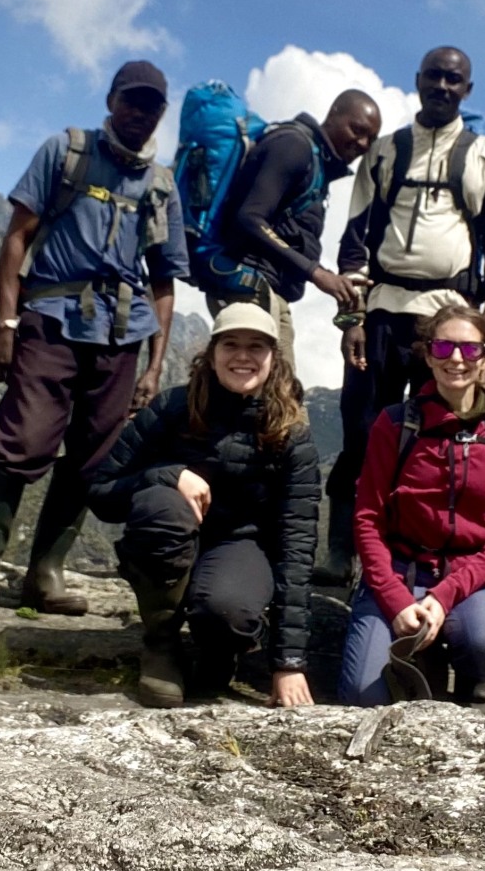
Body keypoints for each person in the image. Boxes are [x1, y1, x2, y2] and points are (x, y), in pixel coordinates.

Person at [0, 60, 189, 623]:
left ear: (160, 115)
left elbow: (163, 281)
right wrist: (5, 326)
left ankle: (44, 573)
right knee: (22, 440)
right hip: (51, 322)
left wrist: (155, 365)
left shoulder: (161, 186)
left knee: (92, 458)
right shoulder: (67, 152)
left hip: (122, 338)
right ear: (110, 100)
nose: (140, 113)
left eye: (152, 106)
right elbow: (16, 240)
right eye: (131, 100)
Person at [322, 46, 485, 583]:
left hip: (449, 319)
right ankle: (342, 552)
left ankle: (407, 557)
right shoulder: (384, 153)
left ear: (467, 90)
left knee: (437, 437)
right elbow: (355, 239)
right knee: (360, 429)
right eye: (434, 75)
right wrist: (352, 320)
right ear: (417, 81)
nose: (443, 85)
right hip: (383, 312)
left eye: (454, 79)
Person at [87, 303, 319, 708]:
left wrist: (288, 662)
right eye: (231, 344)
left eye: (256, 347)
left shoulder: (290, 434)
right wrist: (168, 474)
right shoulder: (171, 408)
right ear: (211, 354)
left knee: (227, 609)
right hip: (175, 537)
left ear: (273, 359)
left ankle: (219, 651)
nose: (242, 356)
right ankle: (161, 647)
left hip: (239, 547)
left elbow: (296, 545)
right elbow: (102, 493)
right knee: (162, 507)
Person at [339, 304, 485, 706]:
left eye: (470, 349)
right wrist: (393, 600)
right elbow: (367, 518)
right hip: (399, 569)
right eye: (443, 348)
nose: (456, 359)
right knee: (361, 695)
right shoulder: (395, 423)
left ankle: (455, 652)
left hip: (465, 575)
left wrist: (444, 596)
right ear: (427, 355)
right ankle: (420, 646)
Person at [205, 89, 384, 365]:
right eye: (357, 130)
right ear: (333, 114)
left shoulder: (317, 164)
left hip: (268, 293)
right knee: (268, 396)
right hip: (247, 287)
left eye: (370, 140)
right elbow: (250, 218)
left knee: (280, 396)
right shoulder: (294, 145)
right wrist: (315, 272)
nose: (362, 144)